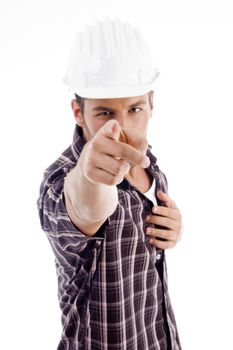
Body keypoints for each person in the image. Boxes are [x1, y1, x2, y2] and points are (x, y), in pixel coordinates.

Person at [37, 18, 183, 350]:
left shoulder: (152, 167)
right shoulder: (60, 181)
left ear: (151, 103)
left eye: (134, 109)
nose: (120, 129)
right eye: (104, 113)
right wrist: (89, 176)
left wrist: (171, 232)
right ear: (78, 112)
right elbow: (84, 207)